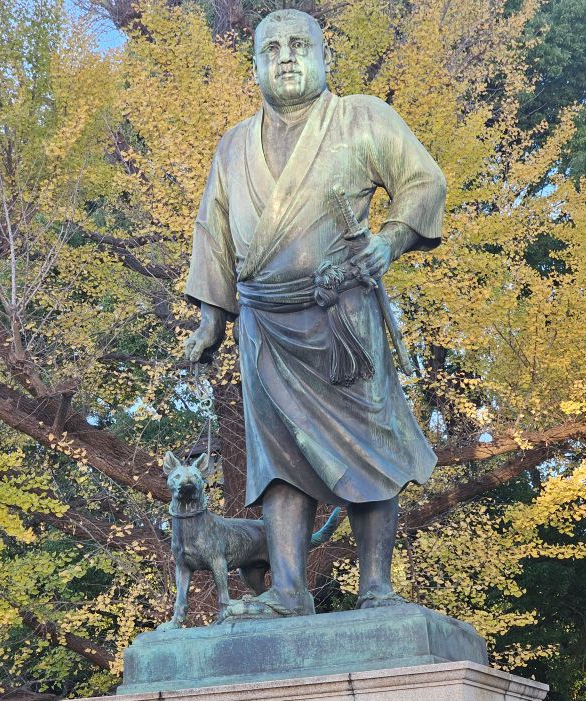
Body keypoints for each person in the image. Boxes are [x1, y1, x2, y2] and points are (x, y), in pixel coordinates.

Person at [183, 9, 446, 619]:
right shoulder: (234, 145)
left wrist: (391, 238)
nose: (286, 57)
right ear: (255, 67)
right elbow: (215, 233)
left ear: (325, 57)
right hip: (264, 324)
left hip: (341, 316)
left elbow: (423, 182)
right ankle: (288, 589)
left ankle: (376, 585)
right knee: (277, 458)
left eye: (300, 45)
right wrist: (210, 319)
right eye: (271, 49)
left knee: (369, 445)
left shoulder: (362, 118)